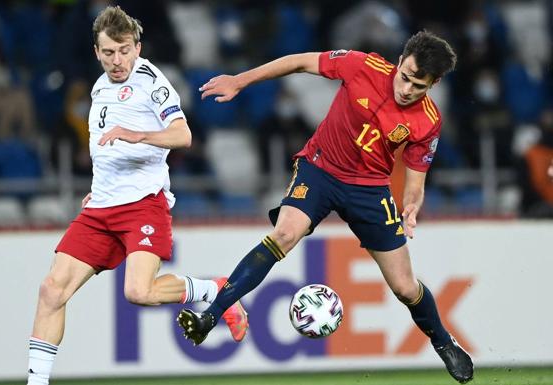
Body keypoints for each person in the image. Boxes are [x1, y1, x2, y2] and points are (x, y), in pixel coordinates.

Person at [177, 31, 474, 384]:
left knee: (405, 288)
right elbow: (300, 61)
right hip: (320, 169)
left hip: (369, 189)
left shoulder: (429, 120)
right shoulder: (361, 65)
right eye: (405, 76)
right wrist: (240, 81)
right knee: (284, 233)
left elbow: (415, 181)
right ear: (400, 61)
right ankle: (211, 316)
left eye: (418, 85)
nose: (406, 89)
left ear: (435, 83)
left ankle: (444, 342)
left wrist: (410, 208)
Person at [26, 6, 248, 385]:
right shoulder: (98, 87)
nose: (118, 61)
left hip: (142, 204)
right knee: (51, 290)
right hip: (101, 208)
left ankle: (216, 289)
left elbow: (183, 135)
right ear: (97, 51)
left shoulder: (152, 82)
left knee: (138, 292)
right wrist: (98, 191)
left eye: (125, 50)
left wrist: (139, 134)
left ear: (138, 47)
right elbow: (103, 149)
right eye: (109, 52)